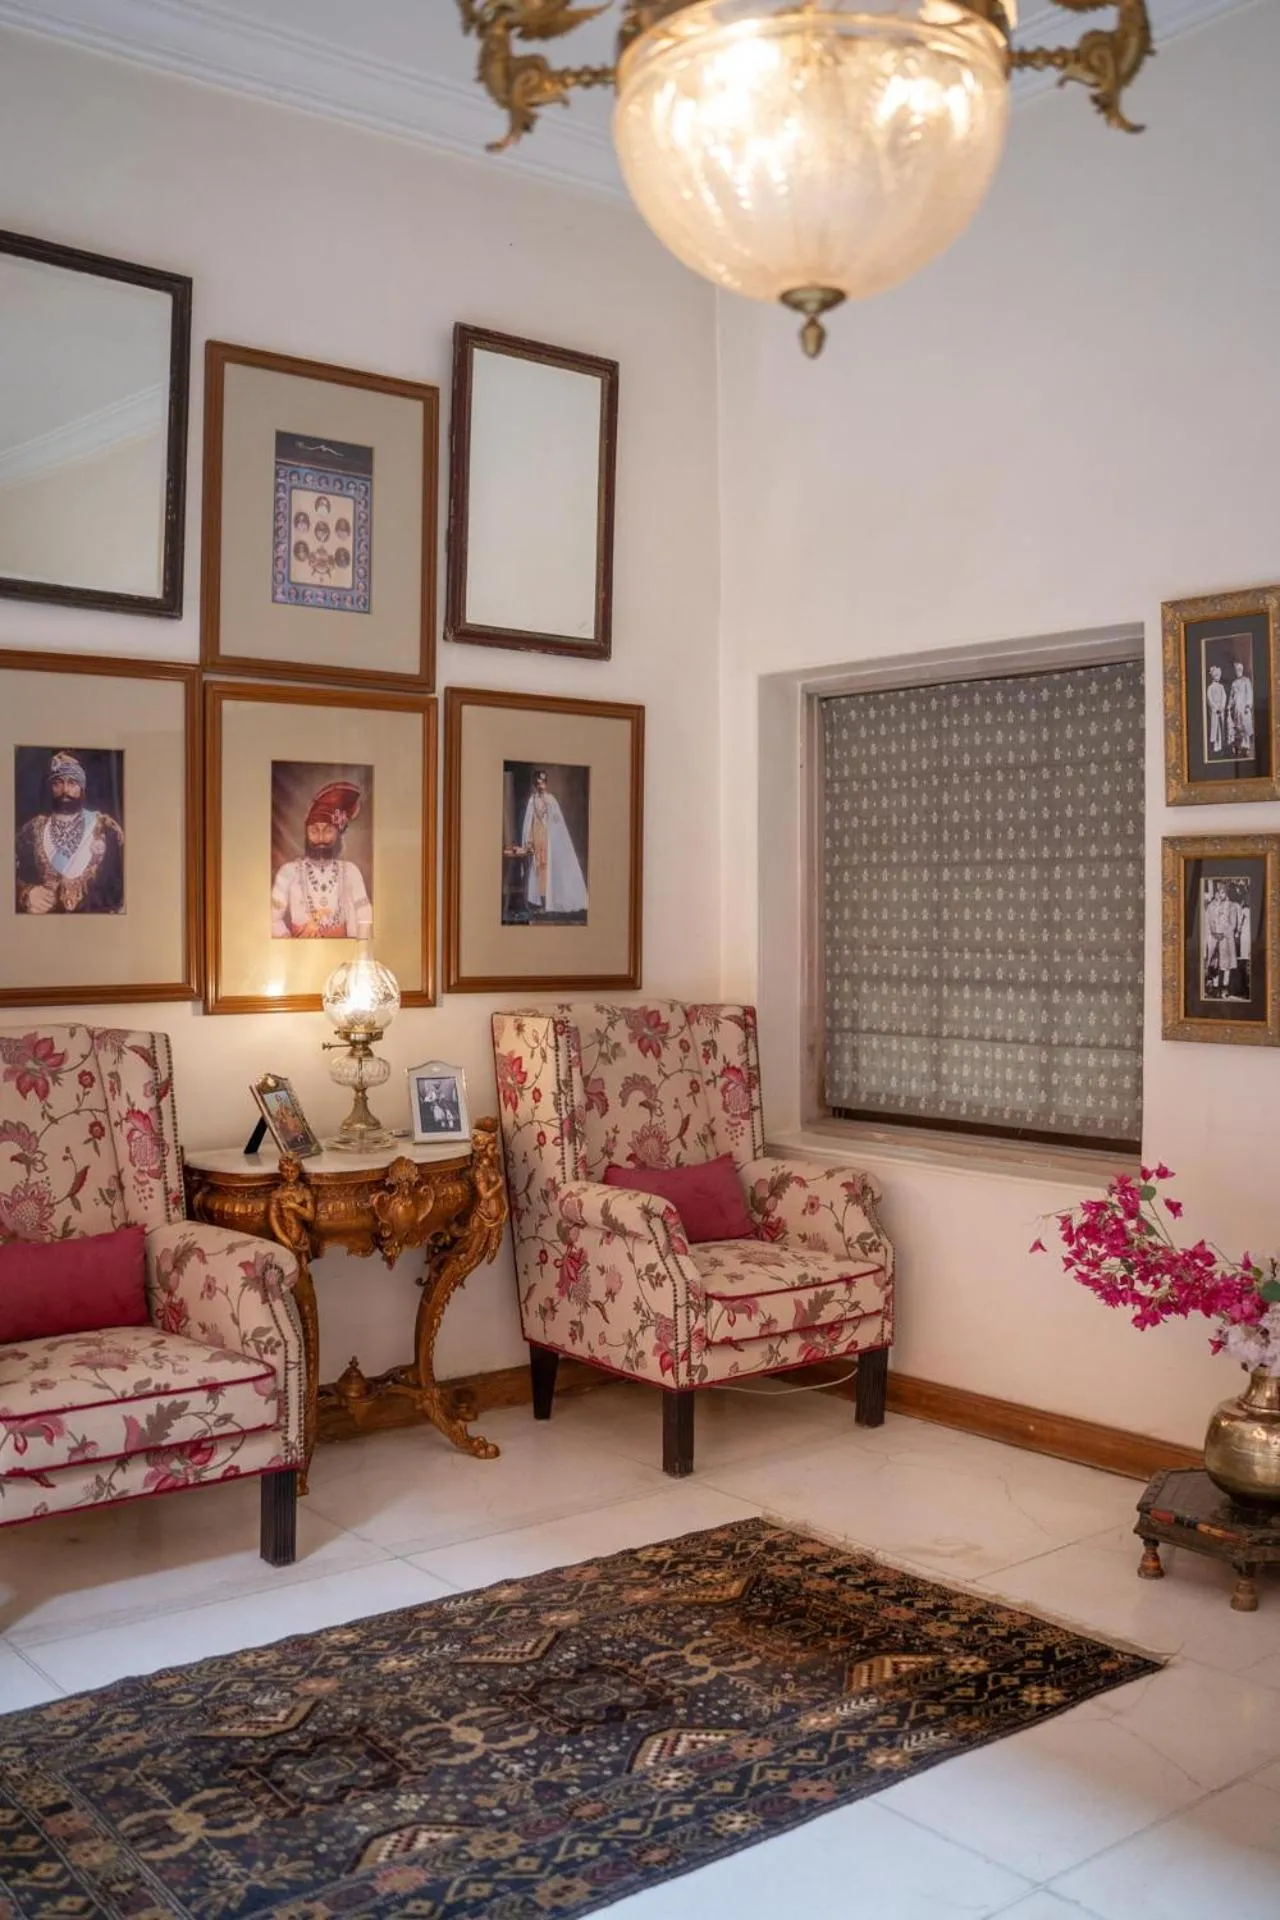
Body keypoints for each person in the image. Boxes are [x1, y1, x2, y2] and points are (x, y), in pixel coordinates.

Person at [15, 749, 124, 915]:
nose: (65, 790)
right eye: (58, 783)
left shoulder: (107, 829)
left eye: (72, 783)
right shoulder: (31, 830)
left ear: (82, 787)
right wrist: (25, 894)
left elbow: (129, 883)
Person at [271, 779, 372, 938]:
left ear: (338, 833)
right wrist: (287, 940)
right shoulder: (288, 872)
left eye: (328, 831)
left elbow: (364, 917)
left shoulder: (351, 871)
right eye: (314, 831)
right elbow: (271, 919)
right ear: (306, 833)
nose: (320, 838)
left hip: (344, 953)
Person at [504, 770, 587, 918]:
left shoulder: (551, 800)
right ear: (535, 784)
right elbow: (529, 822)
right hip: (536, 838)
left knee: (547, 870)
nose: (541, 785)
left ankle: (550, 900)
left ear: (546, 783)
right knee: (537, 871)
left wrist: (551, 812)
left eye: (543, 782)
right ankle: (539, 902)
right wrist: (529, 840)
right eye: (538, 783)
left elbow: (557, 822)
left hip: (548, 839)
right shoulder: (532, 800)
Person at [1204, 880, 1248, 999]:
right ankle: (1215, 988)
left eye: (1223, 892)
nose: (1220, 895)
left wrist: (1223, 933)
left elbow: (1233, 924)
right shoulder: (1211, 906)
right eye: (1218, 892)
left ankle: (1225, 988)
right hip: (1214, 939)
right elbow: (1208, 921)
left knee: (1226, 965)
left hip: (1226, 939)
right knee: (1215, 963)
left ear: (1226, 893)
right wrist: (1214, 933)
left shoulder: (1232, 907)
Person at [1228, 659, 1255, 758]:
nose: (1238, 671)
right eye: (1236, 670)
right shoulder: (1234, 683)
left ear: (1242, 670)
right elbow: (1231, 696)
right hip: (1236, 710)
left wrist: (1248, 705)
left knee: (1245, 727)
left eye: (1239, 669)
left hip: (1244, 708)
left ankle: (1246, 746)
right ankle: (1238, 747)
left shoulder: (1246, 681)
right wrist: (1229, 705)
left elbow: (1249, 694)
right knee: (1237, 727)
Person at [1206, 663, 1227, 756]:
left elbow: (1224, 697)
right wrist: (1215, 707)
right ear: (1213, 676)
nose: (1217, 677)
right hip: (1214, 711)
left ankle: (1221, 746)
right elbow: (1209, 699)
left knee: (1221, 727)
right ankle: (1215, 747)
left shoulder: (1221, 687)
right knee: (1215, 727)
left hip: (1221, 710)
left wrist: (1222, 706)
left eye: (1219, 676)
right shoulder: (1210, 687)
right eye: (1216, 675)